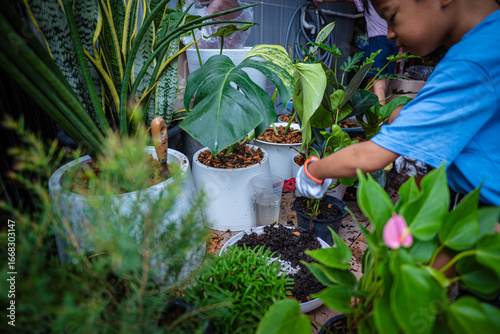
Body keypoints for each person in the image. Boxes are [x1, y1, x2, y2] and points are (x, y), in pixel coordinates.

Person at [297, 0, 500, 206]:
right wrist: (402, 118)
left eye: (391, 17)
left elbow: (374, 155)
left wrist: (313, 171)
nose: (389, 35)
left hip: (486, 213)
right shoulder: (490, 42)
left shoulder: (472, 63)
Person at [317, 0, 399, 105]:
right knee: (371, 81)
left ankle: (380, 120)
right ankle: (369, 117)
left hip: (379, 41)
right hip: (393, 41)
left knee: (378, 84)